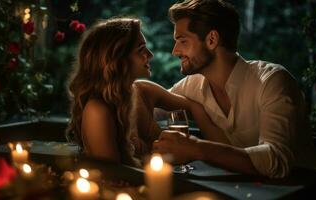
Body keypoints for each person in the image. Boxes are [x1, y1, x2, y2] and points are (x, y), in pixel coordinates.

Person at [153, 0, 316, 178]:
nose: (175, 51)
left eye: (182, 41)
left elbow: (277, 160)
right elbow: (154, 107)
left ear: (212, 40)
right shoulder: (192, 84)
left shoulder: (272, 81)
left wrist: (196, 148)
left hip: (307, 190)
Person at [66, 17, 219, 167]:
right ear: (117, 59)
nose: (150, 55)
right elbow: (113, 177)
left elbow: (194, 108)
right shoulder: (97, 111)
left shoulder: (143, 90)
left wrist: (222, 154)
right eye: (141, 49)